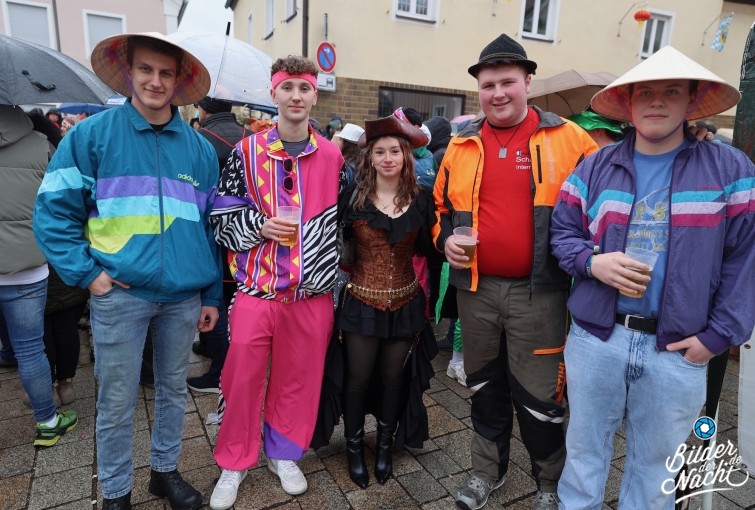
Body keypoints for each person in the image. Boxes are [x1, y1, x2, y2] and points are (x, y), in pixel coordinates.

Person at [551, 45, 755, 510]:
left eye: (672, 91)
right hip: (596, 339)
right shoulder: (594, 166)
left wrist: (719, 335)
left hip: (678, 349)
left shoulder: (731, 172)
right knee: (583, 456)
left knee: (655, 470)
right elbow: (562, 232)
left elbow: (746, 258)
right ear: (628, 102)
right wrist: (592, 262)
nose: (657, 101)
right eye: (645, 92)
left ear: (691, 100)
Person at [33, 32, 221, 510]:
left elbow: (208, 229)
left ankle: (164, 472)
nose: (155, 81)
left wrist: (212, 296)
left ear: (178, 81)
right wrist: (87, 274)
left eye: (166, 73)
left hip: (183, 298)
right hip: (119, 296)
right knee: (116, 401)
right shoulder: (91, 136)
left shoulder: (200, 151)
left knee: (173, 391)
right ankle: (116, 493)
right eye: (146, 70)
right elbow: (52, 213)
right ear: (130, 72)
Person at [433, 34, 599, 510]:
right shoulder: (462, 143)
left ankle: (549, 484)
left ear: (528, 82)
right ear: (478, 90)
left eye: (507, 82)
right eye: (488, 85)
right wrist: (445, 241)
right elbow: (439, 210)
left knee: (542, 397)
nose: (498, 93)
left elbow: (602, 208)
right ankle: (487, 473)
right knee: (484, 386)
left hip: (541, 293)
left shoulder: (572, 139)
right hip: (476, 290)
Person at [208, 55, 344, 509]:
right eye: (288, 88)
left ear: (315, 95)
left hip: (311, 294)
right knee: (241, 378)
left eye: (304, 88)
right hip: (256, 289)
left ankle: (283, 452)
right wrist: (258, 225)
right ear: (274, 94)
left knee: (298, 379)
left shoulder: (333, 156)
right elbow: (221, 219)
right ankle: (234, 460)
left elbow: (344, 220)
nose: (296, 96)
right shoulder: (245, 152)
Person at [328, 114, 438, 489]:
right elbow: (334, 243)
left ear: (405, 156)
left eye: (394, 151)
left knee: (393, 377)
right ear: (370, 158)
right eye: (380, 152)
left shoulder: (422, 199)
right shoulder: (354, 197)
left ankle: (385, 445)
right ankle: (354, 448)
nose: (387, 158)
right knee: (357, 377)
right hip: (361, 301)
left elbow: (431, 248)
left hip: (406, 303)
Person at [0, 103, 79, 446]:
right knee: (30, 349)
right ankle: (47, 422)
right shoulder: (40, 144)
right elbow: (64, 201)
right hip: (28, 266)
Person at [186, 96, 253, 393]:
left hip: (212, 232)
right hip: (249, 234)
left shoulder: (198, 140)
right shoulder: (253, 138)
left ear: (203, 109)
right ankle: (213, 347)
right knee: (236, 298)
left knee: (214, 301)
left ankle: (219, 373)